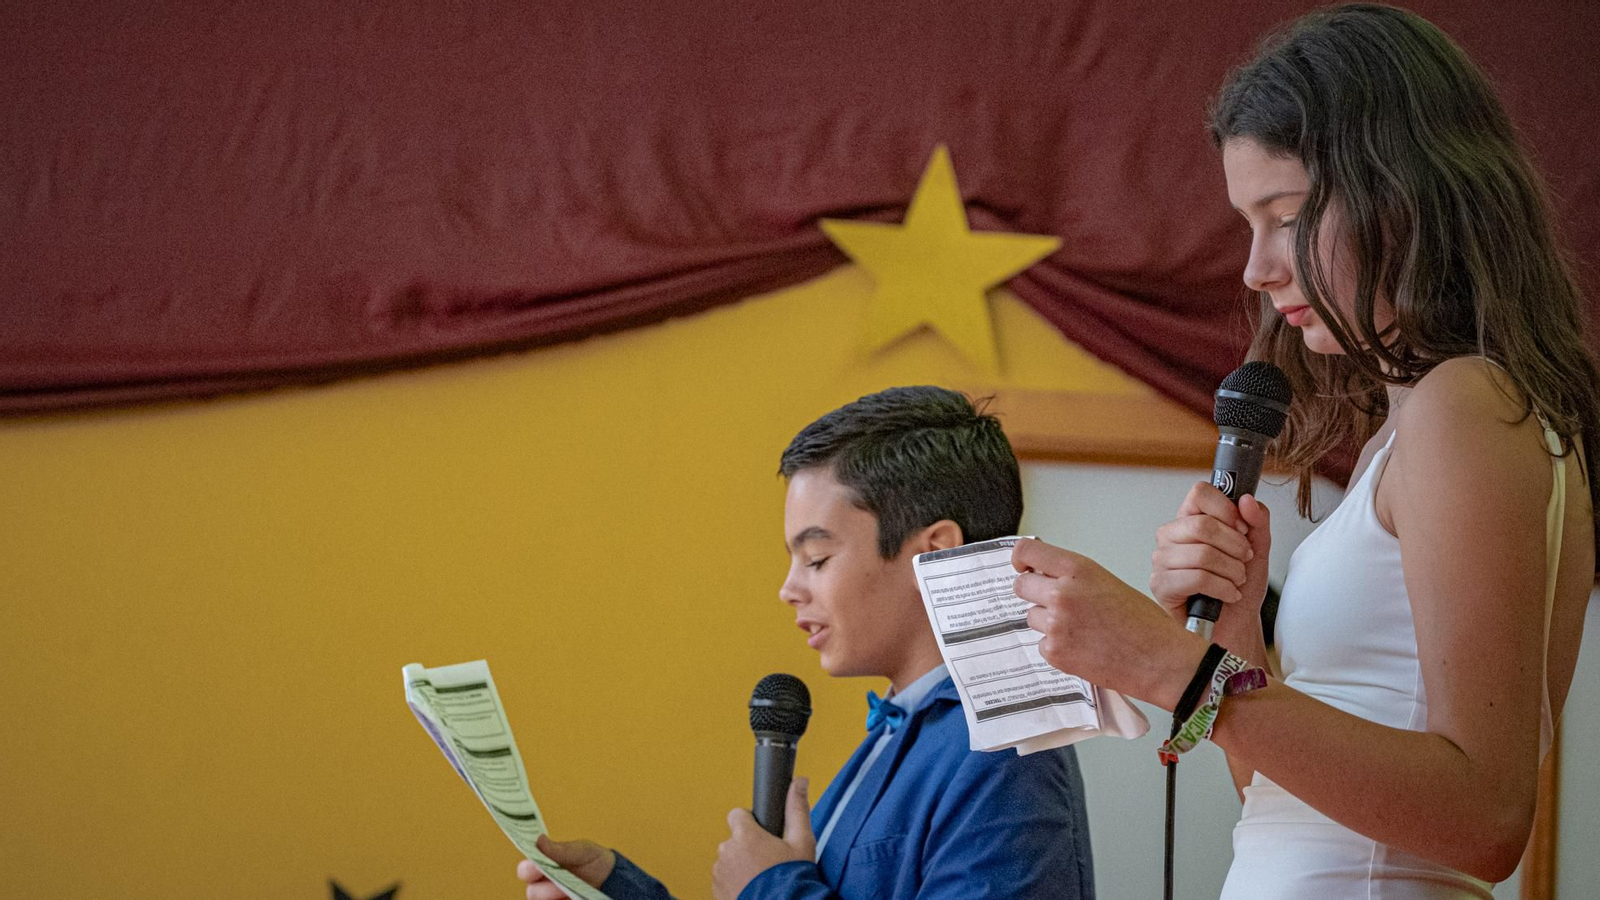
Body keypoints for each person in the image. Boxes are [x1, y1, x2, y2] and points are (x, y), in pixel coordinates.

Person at [1013, 4, 1597, 898]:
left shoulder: (1466, 406)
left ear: (1400, 193)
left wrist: (1174, 666)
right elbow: (1285, 801)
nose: (1256, 268)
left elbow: (1483, 820)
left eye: (1284, 216)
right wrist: (1238, 631)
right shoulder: (1413, 431)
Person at [518, 386, 1095, 900]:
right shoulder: (902, 734)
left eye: (817, 558)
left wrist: (769, 888)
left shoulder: (1006, 756)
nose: (789, 589)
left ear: (936, 553)